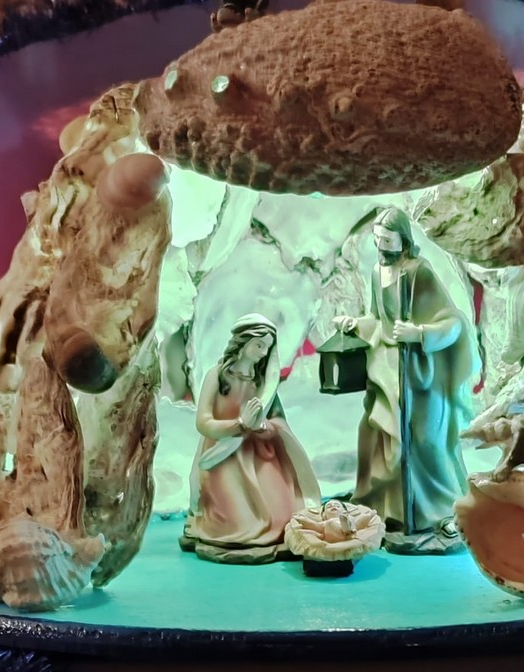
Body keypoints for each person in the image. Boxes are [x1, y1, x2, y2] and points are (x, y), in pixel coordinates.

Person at [334, 206, 476, 554]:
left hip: (419, 376)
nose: (381, 246)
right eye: (377, 239)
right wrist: (355, 324)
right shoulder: (376, 272)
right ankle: (391, 510)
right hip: (385, 370)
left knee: (424, 443)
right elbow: (378, 320)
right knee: (379, 436)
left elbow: (452, 322)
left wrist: (420, 333)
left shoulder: (419, 271)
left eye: (387, 240)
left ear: (403, 240)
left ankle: (439, 512)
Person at [182, 314, 321, 563]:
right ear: (243, 342)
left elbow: (278, 422)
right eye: (258, 345)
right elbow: (203, 422)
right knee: (239, 521)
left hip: (258, 454)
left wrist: (261, 426)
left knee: (281, 512)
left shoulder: (262, 384)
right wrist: (239, 425)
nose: (262, 352)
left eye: (267, 347)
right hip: (222, 457)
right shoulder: (218, 376)